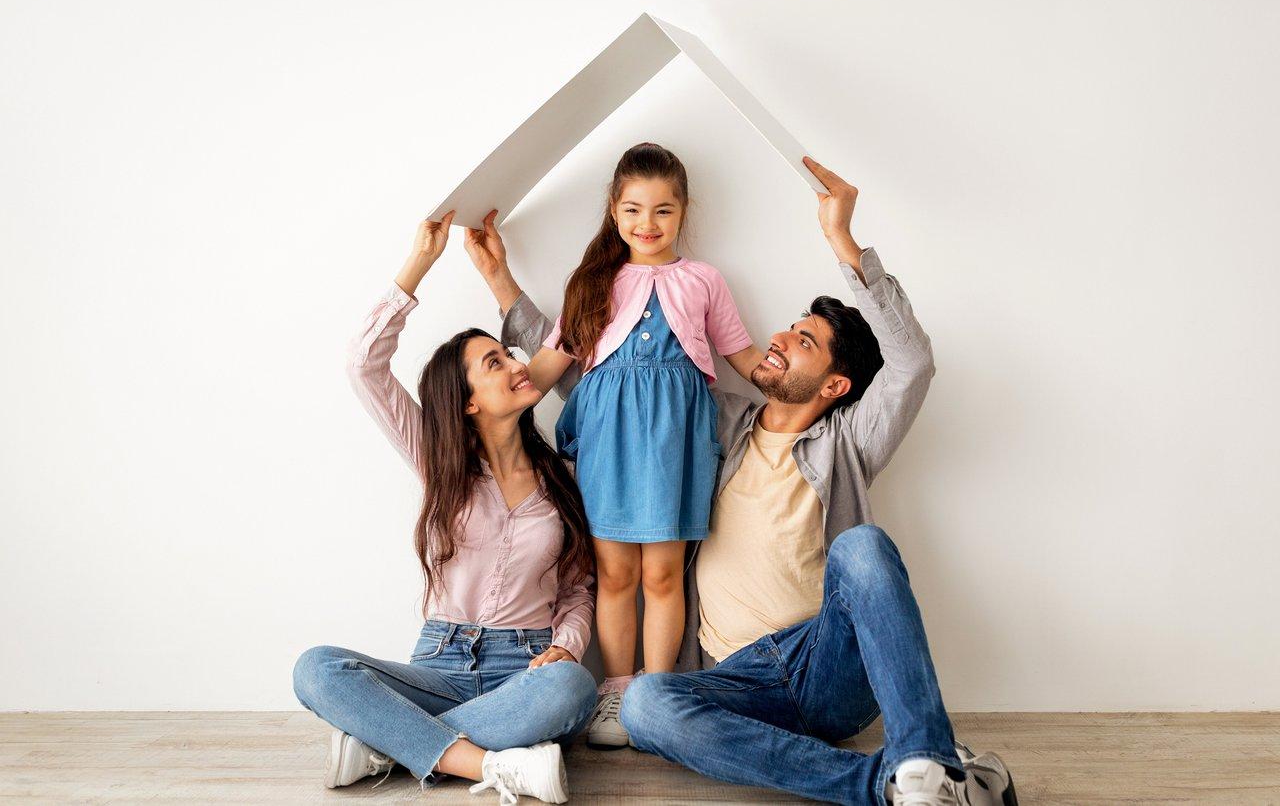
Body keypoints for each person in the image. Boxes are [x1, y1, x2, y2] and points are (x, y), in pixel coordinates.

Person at [472, 155, 1018, 805]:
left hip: (823, 663)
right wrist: (504, 284)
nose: (782, 337)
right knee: (645, 702)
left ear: (836, 385)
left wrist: (845, 241)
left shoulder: (850, 441)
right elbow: (594, 377)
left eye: (806, 341)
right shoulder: (717, 424)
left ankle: (924, 754)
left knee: (862, 546)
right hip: (734, 680)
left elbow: (912, 360)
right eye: (790, 327)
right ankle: (892, 783)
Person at [291, 213, 599, 804]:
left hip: (527, 667)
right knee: (316, 667)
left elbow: (578, 590)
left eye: (511, 355)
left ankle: (387, 746)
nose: (517, 365)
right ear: (466, 405)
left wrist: (568, 644)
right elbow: (363, 366)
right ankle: (494, 764)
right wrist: (418, 265)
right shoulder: (438, 463)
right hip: (437, 664)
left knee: (573, 690)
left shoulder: (565, 476)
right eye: (495, 364)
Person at [480, 142, 763, 748]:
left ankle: (656, 698)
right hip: (608, 446)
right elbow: (547, 369)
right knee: (614, 574)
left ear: (684, 211)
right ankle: (616, 690)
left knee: (662, 575)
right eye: (634, 209)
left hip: (675, 447)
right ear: (614, 211)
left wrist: (804, 385)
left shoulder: (704, 281)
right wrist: (484, 400)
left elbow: (744, 359)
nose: (648, 224)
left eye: (663, 210)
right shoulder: (592, 284)